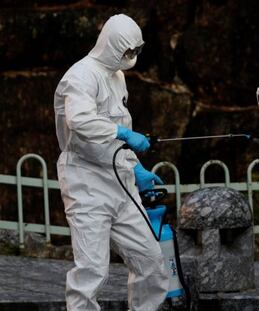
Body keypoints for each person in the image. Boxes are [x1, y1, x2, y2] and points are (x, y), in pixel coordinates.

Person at [54, 14, 169, 311]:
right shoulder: (80, 76)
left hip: (120, 181)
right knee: (92, 270)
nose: (131, 57)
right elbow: (80, 120)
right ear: (111, 44)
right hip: (86, 182)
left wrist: (136, 168)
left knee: (150, 261)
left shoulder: (117, 76)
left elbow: (119, 134)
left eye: (135, 51)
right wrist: (122, 133)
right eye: (127, 51)